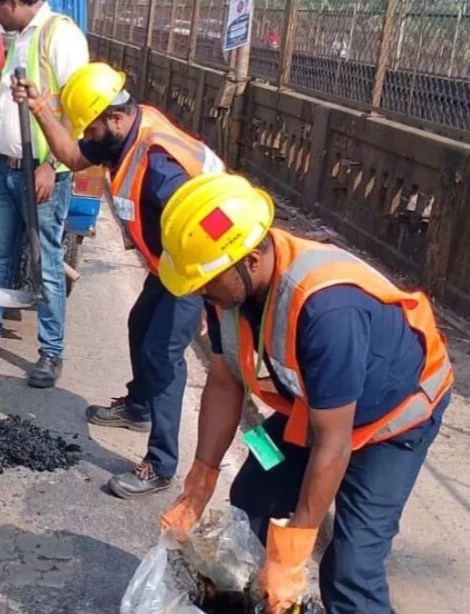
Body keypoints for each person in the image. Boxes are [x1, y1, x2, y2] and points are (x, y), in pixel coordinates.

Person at [156, 172, 453, 614]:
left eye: (205, 279)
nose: (199, 290)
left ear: (251, 258)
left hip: (392, 425)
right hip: (309, 413)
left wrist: (292, 553)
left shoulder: (327, 308)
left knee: (352, 567)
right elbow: (222, 382)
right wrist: (200, 481)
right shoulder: (229, 291)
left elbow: (334, 443)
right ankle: (260, 599)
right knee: (252, 492)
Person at [10, 62, 224, 498]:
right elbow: (71, 156)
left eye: (90, 128)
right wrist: (38, 108)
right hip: (170, 262)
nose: (87, 137)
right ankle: (139, 407)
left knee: (163, 356)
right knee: (139, 325)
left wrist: (211, 301)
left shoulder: (162, 167)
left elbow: (213, 231)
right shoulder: (122, 133)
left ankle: (160, 465)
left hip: (200, 267)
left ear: (115, 117)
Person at [0, 0, 90, 389]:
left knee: (45, 264)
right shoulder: (23, 37)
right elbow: (11, 107)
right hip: (5, 168)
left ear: (11, 0)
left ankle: (51, 352)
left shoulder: (59, 36)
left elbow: (81, 113)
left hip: (40, 174)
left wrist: (52, 165)